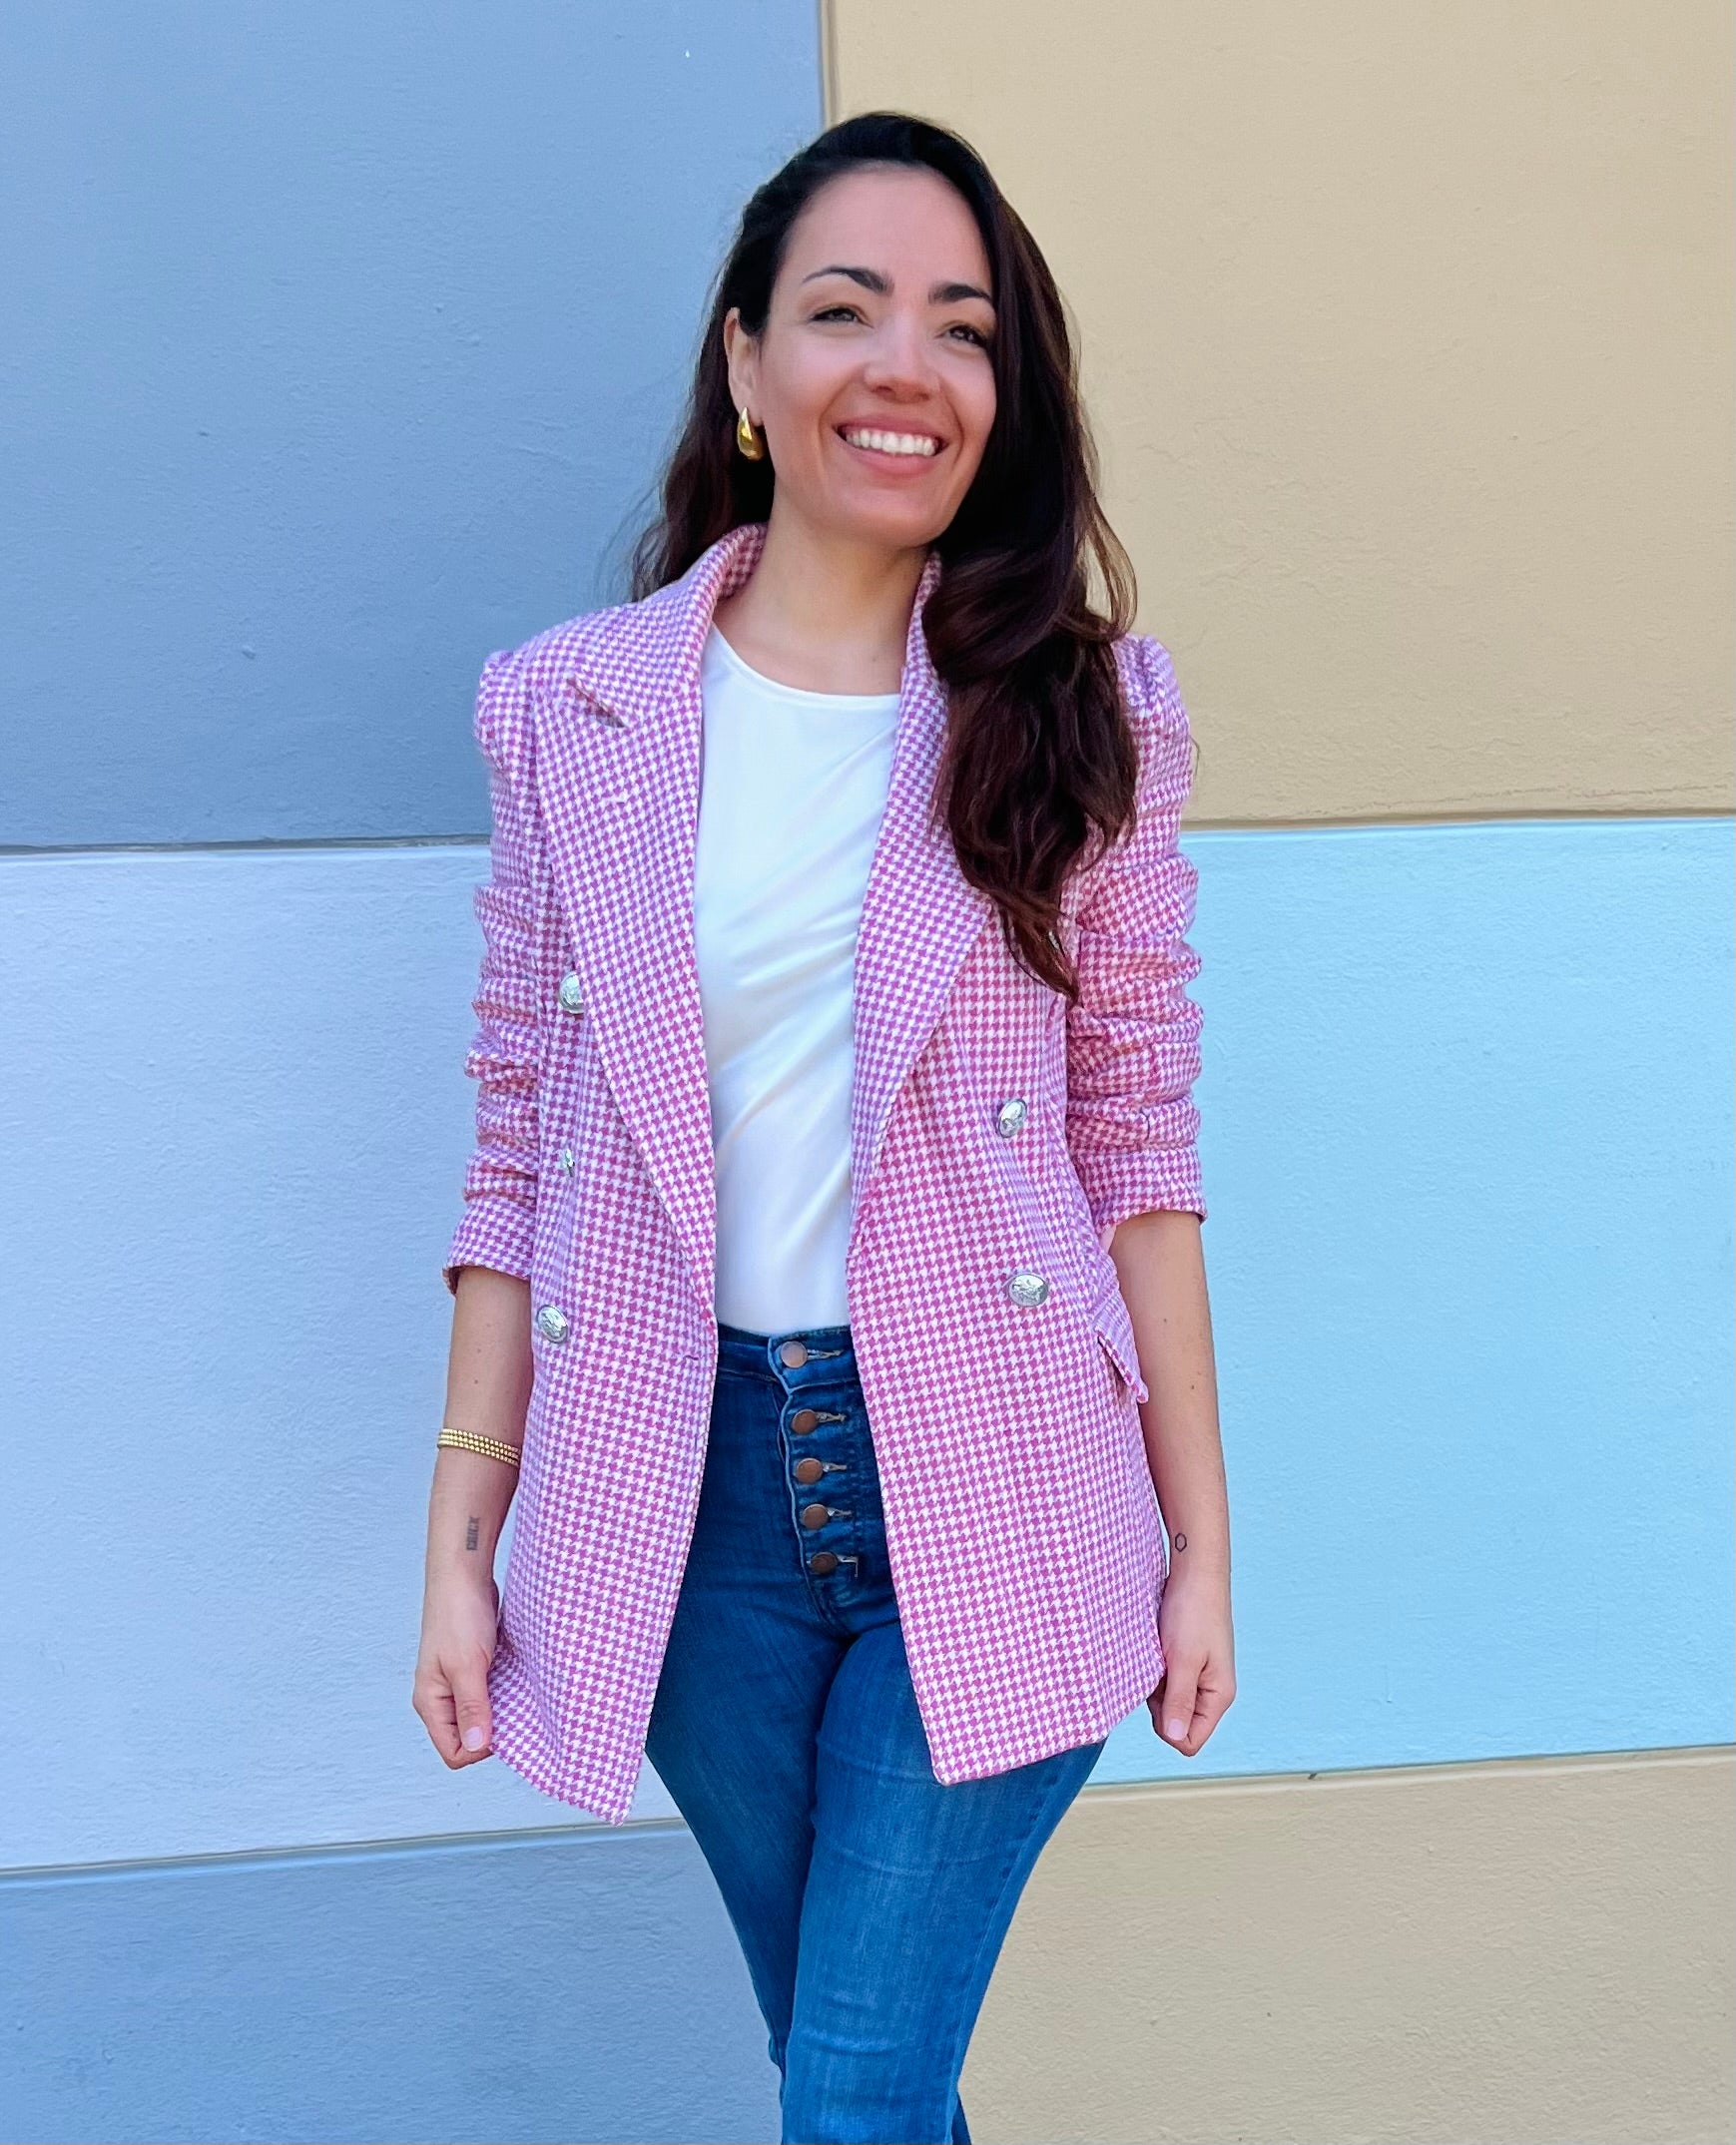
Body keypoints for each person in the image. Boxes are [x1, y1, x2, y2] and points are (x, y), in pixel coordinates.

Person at [413, 109, 1235, 2145]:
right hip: (679, 1495)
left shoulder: (1086, 715)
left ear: (1002, 392)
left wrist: (1206, 1536)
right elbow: (520, 1134)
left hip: (996, 1463)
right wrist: (458, 1533)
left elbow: (1142, 1145)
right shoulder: (569, 710)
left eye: (962, 327)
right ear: (748, 363)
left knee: (855, 2088)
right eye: (846, 308)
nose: (906, 364)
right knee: (858, 2071)